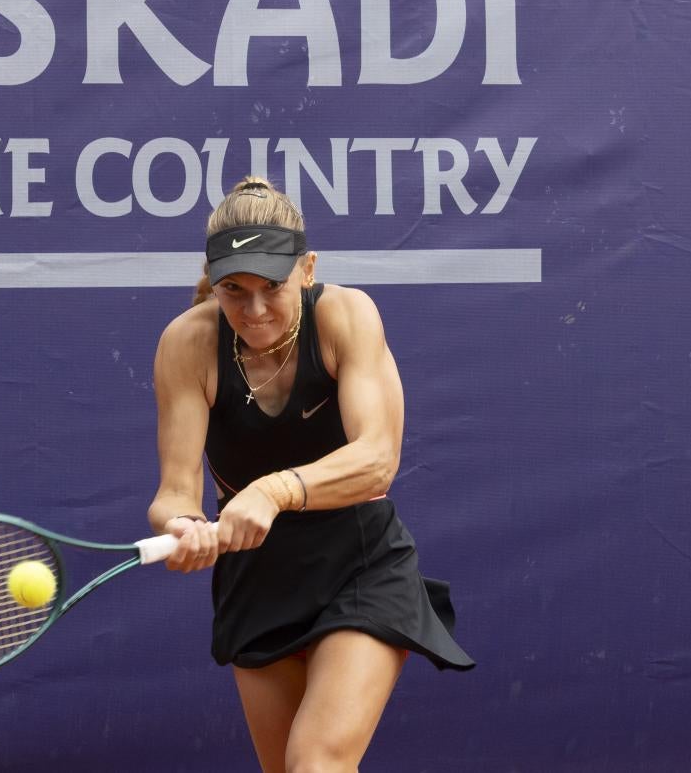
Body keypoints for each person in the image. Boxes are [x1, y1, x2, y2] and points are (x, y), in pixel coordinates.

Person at [148, 175, 473, 773]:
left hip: (360, 565)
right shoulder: (186, 345)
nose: (254, 309)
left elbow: (378, 460)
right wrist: (186, 526)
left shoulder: (345, 315)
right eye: (233, 289)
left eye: (272, 286)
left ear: (308, 267)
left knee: (316, 762)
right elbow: (174, 491)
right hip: (257, 582)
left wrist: (273, 491)